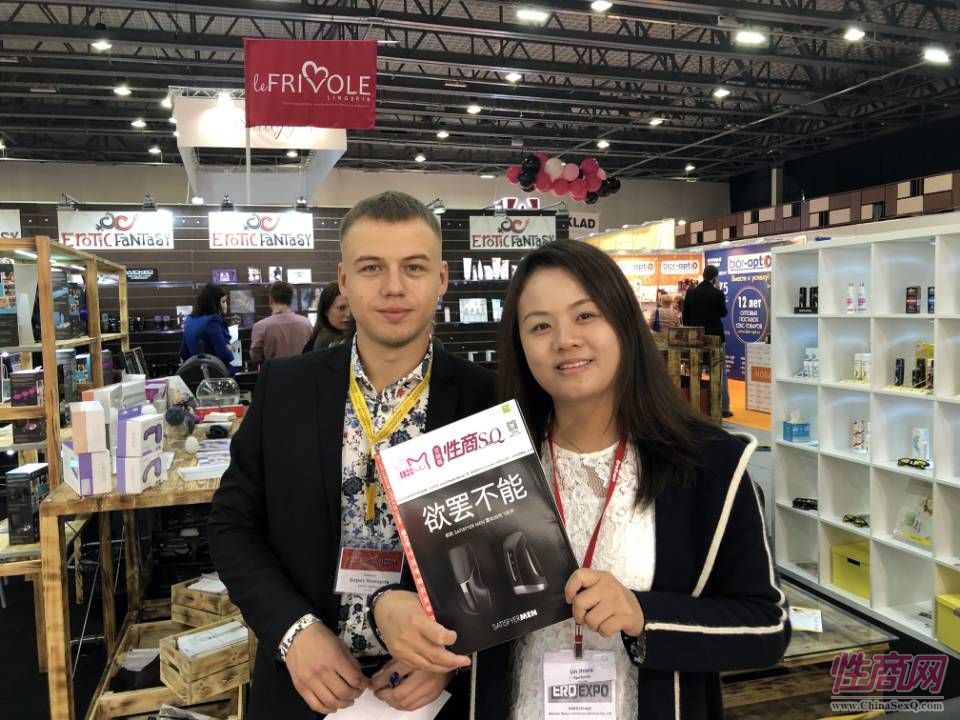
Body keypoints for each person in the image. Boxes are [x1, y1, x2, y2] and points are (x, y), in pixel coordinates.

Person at [371, 240, 789, 719]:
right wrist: (389, 608)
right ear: (520, 346)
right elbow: (432, 598)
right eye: (540, 326)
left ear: (624, 323)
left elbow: (768, 627)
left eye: (585, 315)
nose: (565, 340)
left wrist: (644, 615)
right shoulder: (486, 461)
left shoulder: (710, 465)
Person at [208, 191, 498, 720]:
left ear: (442, 279)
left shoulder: (487, 400)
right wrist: (293, 632)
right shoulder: (286, 389)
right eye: (371, 268)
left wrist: (458, 649)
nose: (393, 286)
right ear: (343, 280)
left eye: (414, 267)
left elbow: (500, 547)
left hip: (434, 694)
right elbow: (232, 526)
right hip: (303, 686)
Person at [682, 264, 732, 418]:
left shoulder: (691, 292)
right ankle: (723, 407)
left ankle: (694, 405)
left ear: (703, 275)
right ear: (715, 278)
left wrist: (692, 330)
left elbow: (685, 315)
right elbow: (723, 313)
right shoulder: (717, 293)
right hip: (715, 336)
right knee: (719, 370)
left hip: (696, 337)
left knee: (694, 368)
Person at [249, 281, 313, 364]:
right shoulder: (306, 323)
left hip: (273, 371)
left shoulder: (260, 326)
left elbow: (255, 356)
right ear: (291, 300)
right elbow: (312, 350)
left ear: (270, 300)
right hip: (302, 370)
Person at [179, 283, 235, 374]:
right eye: (223, 301)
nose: (226, 305)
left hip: (194, 374)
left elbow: (183, 353)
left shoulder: (189, 320)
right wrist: (229, 349)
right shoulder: (213, 320)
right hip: (215, 374)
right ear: (214, 303)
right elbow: (224, 355)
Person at [303, 281, 353, 353]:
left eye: (352, 307)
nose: (349, 314)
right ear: (326, 310)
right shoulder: (329, 340)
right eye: (341, 308)